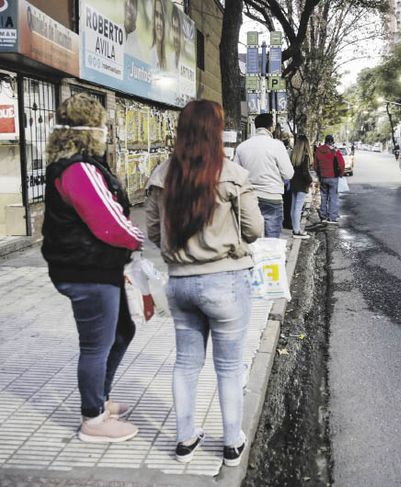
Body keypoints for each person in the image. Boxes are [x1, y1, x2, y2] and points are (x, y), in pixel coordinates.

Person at [146, 100, 264, 466]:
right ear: (216, 132)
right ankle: (231, 444)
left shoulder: (162, 174)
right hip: (226, 282)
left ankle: (185, 440)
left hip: (180, 284)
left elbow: (153, 230)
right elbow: (255, 229)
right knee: (228, 367)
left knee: (185, 364)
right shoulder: (231, 174)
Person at [41, 93, 145, 443]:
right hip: (87, 271)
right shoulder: (79, 169)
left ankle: (99, 399)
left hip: (94, 266)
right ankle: (93, 419)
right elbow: (109, 224)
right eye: (103, 124)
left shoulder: (74, 164)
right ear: (92, 128)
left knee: (121, 332)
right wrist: (139, 241)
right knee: (96, 345)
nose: (107, 131)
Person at [234, 113, 294, 238]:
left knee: (251, 239)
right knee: (271, 241)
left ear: (256, 126)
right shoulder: (277, 145)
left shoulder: (242, 147)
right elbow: (288, 173)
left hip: (249, 197)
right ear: (271, 127)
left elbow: (236, 174)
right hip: (272, 196)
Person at [313, 134, 345, 224]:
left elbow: (315, 165)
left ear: (325, 141)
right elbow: (341, 163)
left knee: (323, 196)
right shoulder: (335, 151)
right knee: (333, 197)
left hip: (323, 177)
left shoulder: (319, 150)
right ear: (332, 141)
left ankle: (323, 216)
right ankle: (332, 217)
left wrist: (319, 174)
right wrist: (341, 173)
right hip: (333, 177)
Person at [290, 134, 314, 238]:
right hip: (302, 184)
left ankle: (295, 228)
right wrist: (311, 180)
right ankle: (297, 231)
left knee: (293, 207)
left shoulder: (293, 155)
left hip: (294, 183)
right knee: (298, 208)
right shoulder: (306, 156)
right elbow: (305, 173)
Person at [151, 0, 167, 70]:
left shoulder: (166, 61)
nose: (159, 23)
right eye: (156, 16)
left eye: (161, 17)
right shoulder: (150, 55)